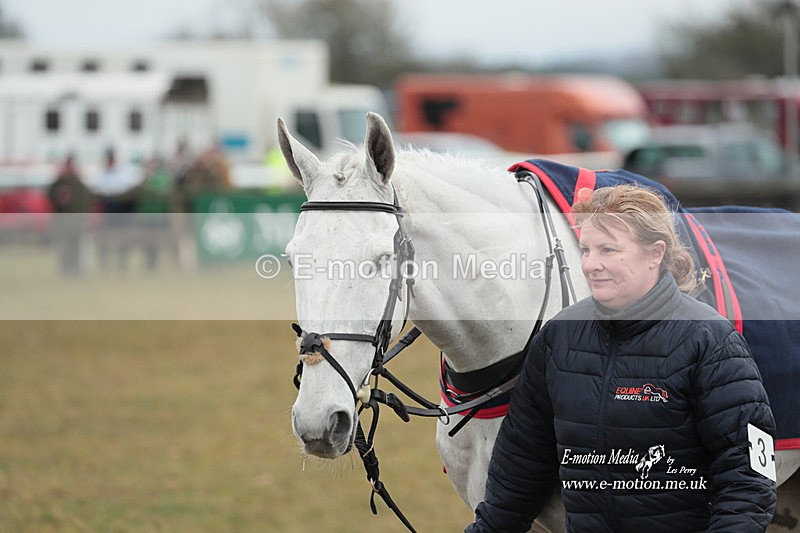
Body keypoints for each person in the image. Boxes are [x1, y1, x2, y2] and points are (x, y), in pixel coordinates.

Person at [466, 184, 777, 532]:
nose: (591, 265)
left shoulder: (711, 342)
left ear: (655, 253)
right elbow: (521, 466)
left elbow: (748, 481)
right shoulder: (557, 339)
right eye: (586, 249)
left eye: (608, 250)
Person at [47, 153, 92, 276]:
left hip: (77, 222)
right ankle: (65, 271)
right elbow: (50, 195)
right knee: (64, 248)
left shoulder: (78, 184)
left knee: (78, 248)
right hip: (63, 222)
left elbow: (84, 202)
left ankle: (78, 271)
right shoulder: (59, 183)